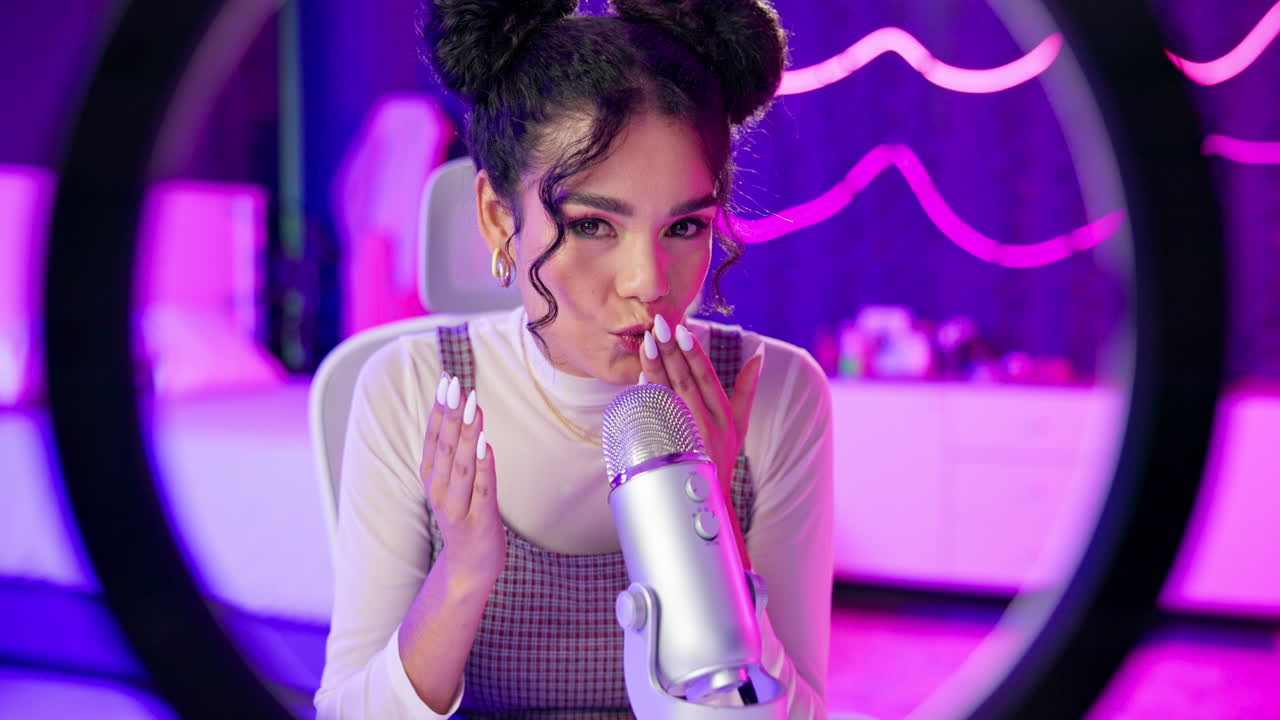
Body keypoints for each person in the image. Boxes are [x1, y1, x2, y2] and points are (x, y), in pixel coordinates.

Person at [314, 0, 833, 717]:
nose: (649, 283)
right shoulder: (413, 389)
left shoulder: (774, 393)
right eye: (592, 224)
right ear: (500, 220)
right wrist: (464, 573)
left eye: (685, 225)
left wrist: (704, 533)